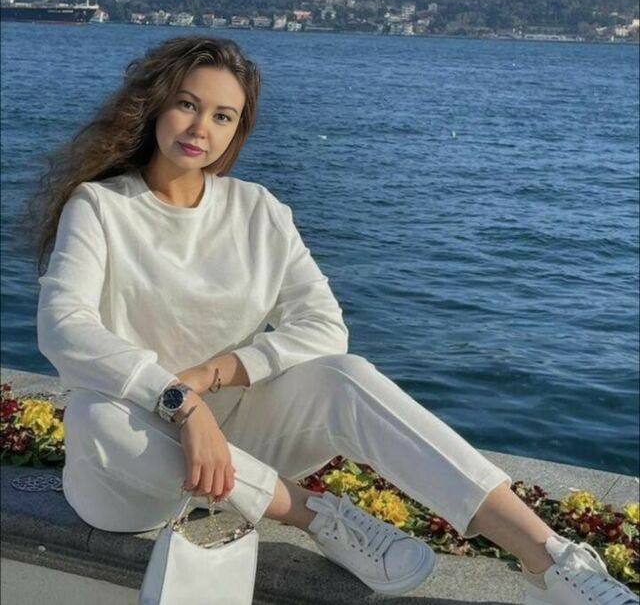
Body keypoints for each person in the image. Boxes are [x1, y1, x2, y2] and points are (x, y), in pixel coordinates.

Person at [30, 36, 637, 604]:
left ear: (238, 129)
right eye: (187, 105)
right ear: (157, 105)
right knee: (98, 415)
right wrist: (179, 403)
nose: (200, 128)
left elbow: (323, 326)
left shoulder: (258, 210)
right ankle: (315, 515)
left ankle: (549, 560)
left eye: (223, 116)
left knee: (345, 375)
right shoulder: (101, 206)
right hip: (130, 481)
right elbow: (63, 323)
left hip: (238, 440)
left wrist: (216, 374)